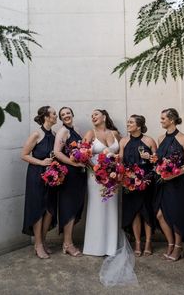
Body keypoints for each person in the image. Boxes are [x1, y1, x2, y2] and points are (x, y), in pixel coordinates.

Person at [152, 108, 184, 261]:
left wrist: (173, 175)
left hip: (177, 183)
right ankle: (170, 243)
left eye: (163, 118)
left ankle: (178, 246)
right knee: (160, 214)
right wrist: (155, 162)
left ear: (172, 120)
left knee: (176, 215)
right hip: (162, 183)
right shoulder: (160, 138)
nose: (161, 120)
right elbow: (159, 160)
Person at [22, 106, 58, 259]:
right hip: (36, 175)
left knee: (49, 208)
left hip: (52, 176)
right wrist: (42, 163)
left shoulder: (55, 134)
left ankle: (43, 241)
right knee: (37, 208)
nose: (56, 116)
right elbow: (23, 155)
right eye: (54, 114)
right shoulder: (37, 134)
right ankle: (37, 244)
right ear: (46, 117)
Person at [83, 109, 120, 256]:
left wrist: (116, 169)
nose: (93, 117)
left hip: (113, 177)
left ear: (104, 117)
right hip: (95, 177)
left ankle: (111, 246)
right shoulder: (90, 133)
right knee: (97, 207)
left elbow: (120, 154)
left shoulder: (115, 133)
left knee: (111, 208)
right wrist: (96, 170)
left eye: (96, 114)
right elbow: (83, 155)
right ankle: (95, 246)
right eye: (91, 116)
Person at [119, 115, 157, 257]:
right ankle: (137, 242)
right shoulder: (123, 141)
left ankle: (148, 242)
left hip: (146, 181)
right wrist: (125, 175)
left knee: (146, 211)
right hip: (129, 181)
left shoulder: (149, 140)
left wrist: (150, 158)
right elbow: (121, 162)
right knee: (134, 212)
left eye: (131, 122)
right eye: (127, 122)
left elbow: (157, 162)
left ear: (139, 125)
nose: (128, 124)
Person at [53, 106, 87, 257]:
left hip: (79, 174)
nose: (66, 115)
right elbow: (57, 152)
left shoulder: (76, 130)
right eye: (63, 115)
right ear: (61, 119)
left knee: (75, 207)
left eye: (68, 113)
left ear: (72, 114)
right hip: (69, 175)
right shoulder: (63, 131)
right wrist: (73, 163)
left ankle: (68, 242)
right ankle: (68, 244)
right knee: (69, 208)